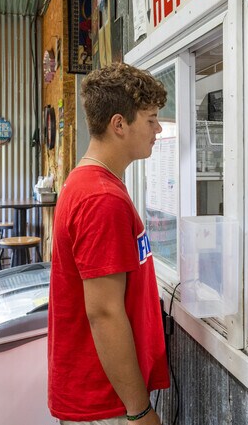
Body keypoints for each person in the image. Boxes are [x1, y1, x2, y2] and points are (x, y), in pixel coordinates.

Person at [48, 62, 169, 424]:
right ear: (119, 124)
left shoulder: (88, 181)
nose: (158, 129)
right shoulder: (102, 198)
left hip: (101, 391)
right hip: (105, 401)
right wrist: (139, 410)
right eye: (150, 119)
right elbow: (104, 312)